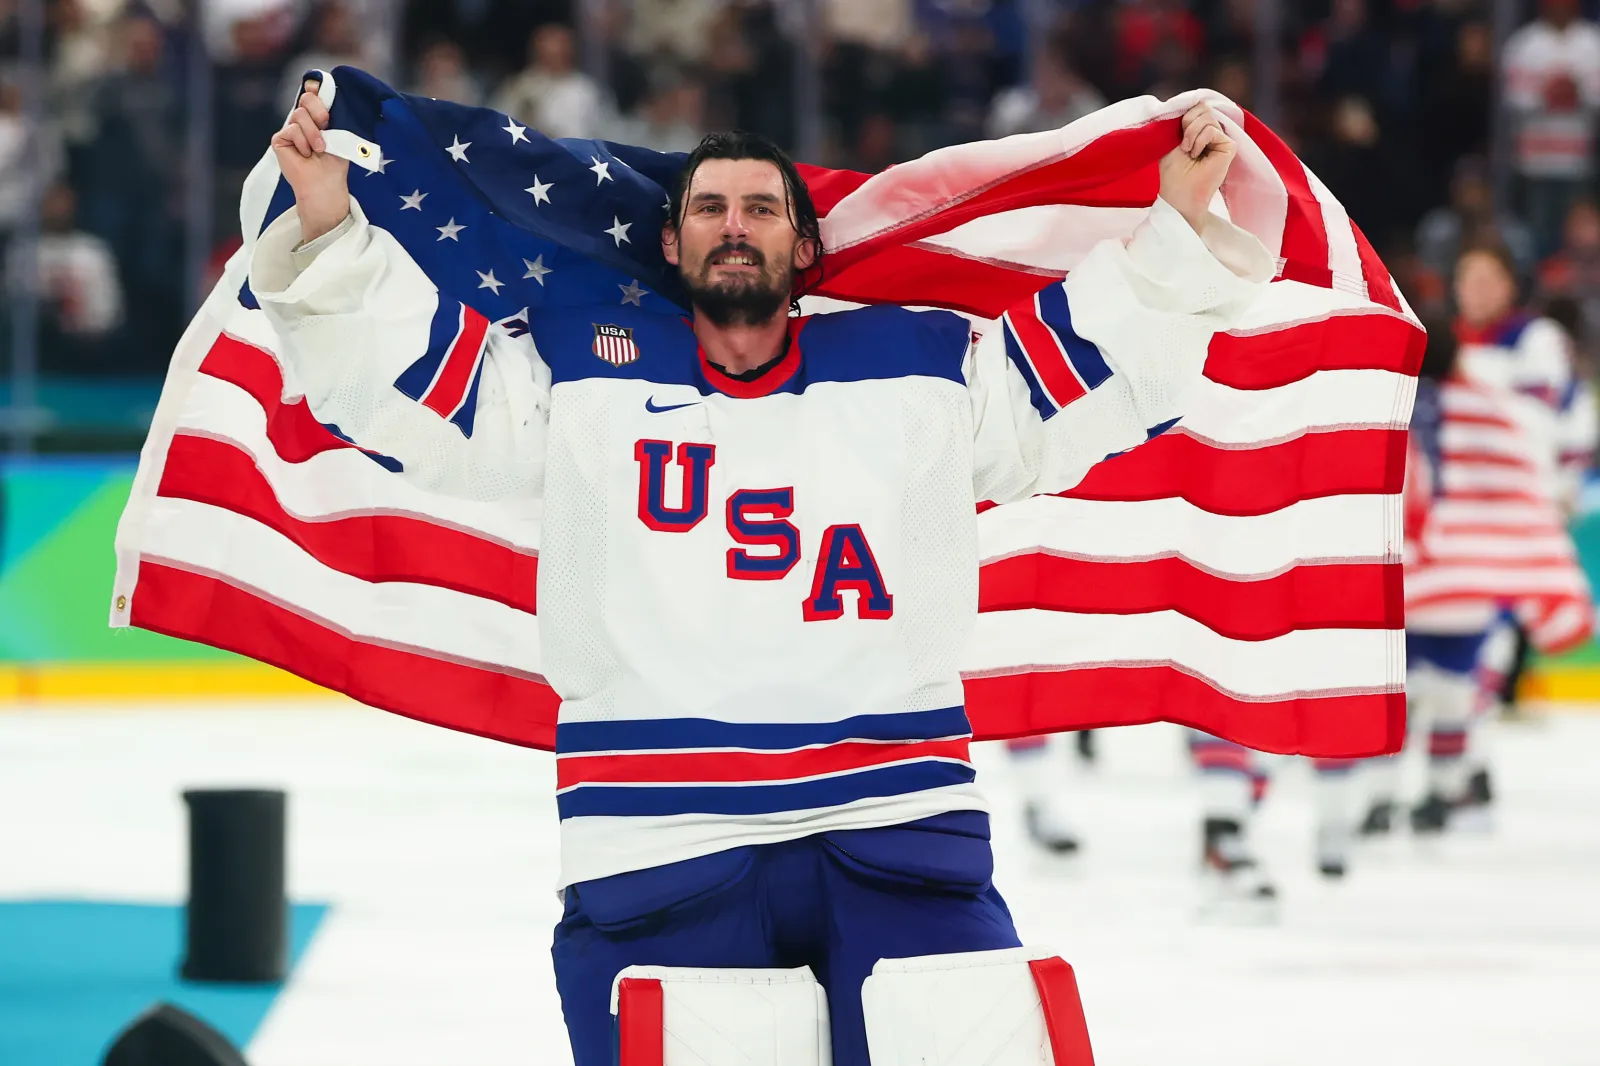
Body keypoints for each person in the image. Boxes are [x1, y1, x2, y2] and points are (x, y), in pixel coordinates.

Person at [262, 87, 1271, 1064]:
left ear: (802, 247)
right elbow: (416, 393)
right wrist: (327, 224)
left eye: (758, 208)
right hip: (660, 843)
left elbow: (1080, 374)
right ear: (670, 244)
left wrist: (1177, 225)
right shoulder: (577, 371)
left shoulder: (918, 364)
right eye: (707, 208)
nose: (731, 225)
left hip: (898, 828)